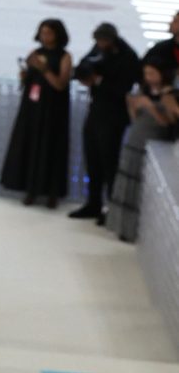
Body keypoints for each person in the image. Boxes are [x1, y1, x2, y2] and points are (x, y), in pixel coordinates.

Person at [70, 21, 140, 223]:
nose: (100, 44)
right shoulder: (99, 50)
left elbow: (123, 89)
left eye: (103, 41)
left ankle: (112, 208)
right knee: (92, 160)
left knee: (109, 163)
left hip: (114, 116)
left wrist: (99, 81)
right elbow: (86, 64)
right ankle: (93, 204)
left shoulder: (127, 57)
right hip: (97, 110)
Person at [0, 17, 72, 209]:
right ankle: (30, 188)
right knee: (31, 144)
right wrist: (25, 75)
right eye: (42, 32)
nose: (44, 36)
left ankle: (52, 192)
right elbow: (28, 80)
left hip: (53, 109)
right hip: (33, 107)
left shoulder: (65, 57)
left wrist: (44, 69)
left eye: (48, 32)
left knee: (51, 146)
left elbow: (60, 84)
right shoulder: (34, 53)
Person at [105, 58, 179, 241]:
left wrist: (151, 107)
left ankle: (138, 230)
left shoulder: (170, 95)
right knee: (127, 185)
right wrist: (133, 105)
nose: (149, 77)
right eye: (146, 73)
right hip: (134, 140)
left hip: (153, 145)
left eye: (152, 73)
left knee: (142, 188)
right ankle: (123, 226)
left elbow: (168, 123)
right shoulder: (142, 91)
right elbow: (135, 119)